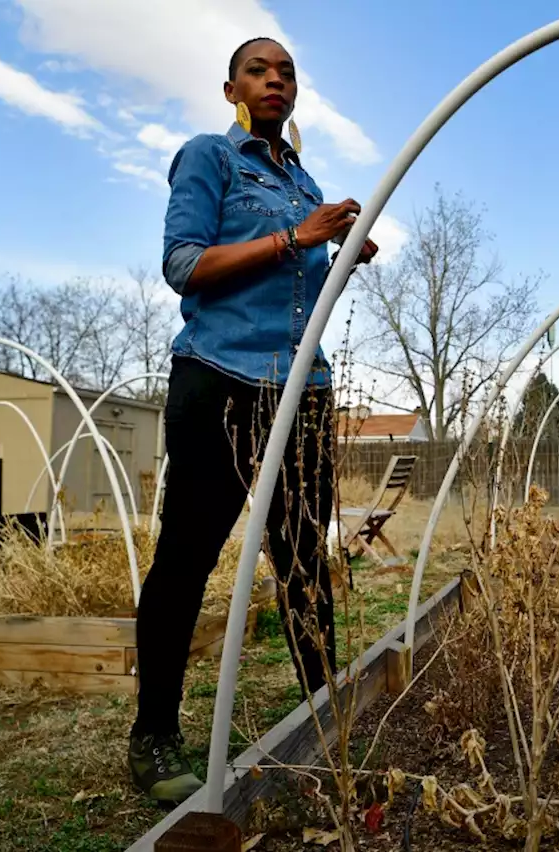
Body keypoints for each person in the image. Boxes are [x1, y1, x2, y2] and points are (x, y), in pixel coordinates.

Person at [128, 36, 378, 804]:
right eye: (259, 70)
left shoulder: (303, 182)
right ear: (232, 87)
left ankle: (329, 729)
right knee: (188, 559)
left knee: (305, 564)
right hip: (219, 383)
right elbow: (183, 266)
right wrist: (295, 238)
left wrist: (339, 249)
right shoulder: (210, 157)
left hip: (301, 391)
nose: (275, 80)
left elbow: (302, 278)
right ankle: (154, 738)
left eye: (287, 71)